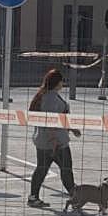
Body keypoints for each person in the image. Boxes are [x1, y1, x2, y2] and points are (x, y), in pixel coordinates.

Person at [26, 68, 81, 208]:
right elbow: (50, 120)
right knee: (66, 169)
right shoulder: (50, 98)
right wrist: (54, 139)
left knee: (42, 168)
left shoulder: (45, 95)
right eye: (62, 81)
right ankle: (75, 198)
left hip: (43, 140)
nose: (63, 83)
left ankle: (33, 197)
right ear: (57, 82)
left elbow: (59, 118)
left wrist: (71, 129)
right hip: (56, 141)